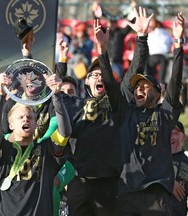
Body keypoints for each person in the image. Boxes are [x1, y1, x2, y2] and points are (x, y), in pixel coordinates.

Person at [95, 10, 184, 215]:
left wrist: (178, 42)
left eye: (145, 87)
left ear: (158, 92)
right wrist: (101, 50)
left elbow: (176, 83)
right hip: (128, 193)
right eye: (136, 88)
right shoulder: (125, 113)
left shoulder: (164, 114)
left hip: (157, 194)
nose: (139, 90)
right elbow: (109, 83)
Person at [65, 7, 152, 216]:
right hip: (79, 181)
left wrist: (141, 38)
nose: (98, 78)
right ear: (85, 81)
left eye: (102, 74)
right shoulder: (75, 104)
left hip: (108, 183)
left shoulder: (118, 102)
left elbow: (135, 70)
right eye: (93, 75)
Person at [0, 72, 71, 216]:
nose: (26, 119)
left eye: (30, 117)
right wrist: (0, 95)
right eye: (20, 117)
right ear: (10, 125)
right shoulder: (5, 150)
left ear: (36, 123)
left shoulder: (46, 150)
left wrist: (57, 95)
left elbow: (65, 133)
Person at [146, 16, 173, 86]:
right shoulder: (167, 34)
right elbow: (171, 43)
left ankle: (150, 84)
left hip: (152, 56)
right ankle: (162, 87)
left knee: (150, 74)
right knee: (162, 77)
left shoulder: (150, 34)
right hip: (163, 56)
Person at [170, 121, 188, 216]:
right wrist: (168, 182)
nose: (171, 137)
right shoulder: (155, 159)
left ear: (183, 137)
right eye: (168, 133)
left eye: (175, 133)